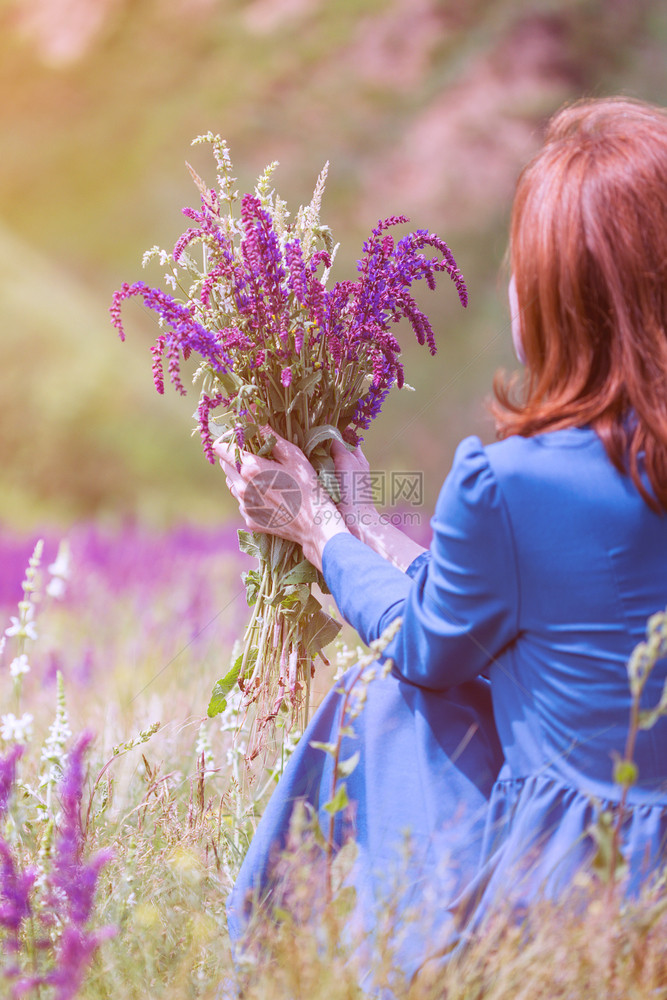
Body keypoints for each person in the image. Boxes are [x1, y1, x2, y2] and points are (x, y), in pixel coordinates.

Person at [215, 96, 667, 982]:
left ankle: (271, 964)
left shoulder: (508, 482)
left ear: (553, 297)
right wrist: (374, 530)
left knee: (384, 699)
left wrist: (317, 529)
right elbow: (513, 612)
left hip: (579, 891)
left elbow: (428, 646)